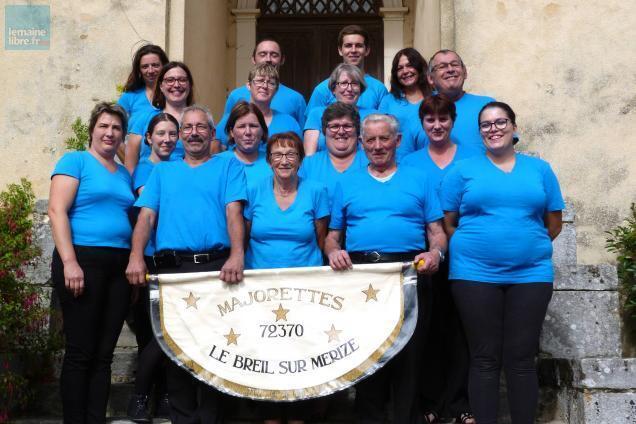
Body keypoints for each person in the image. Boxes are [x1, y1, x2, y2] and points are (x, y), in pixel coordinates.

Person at [440, 102, 564, 424]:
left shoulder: (540, 170)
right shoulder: (463, 171)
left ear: (513, 127)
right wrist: (481, 246)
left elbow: (553, 222)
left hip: (531, 274)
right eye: (486, 125)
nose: (493, 129)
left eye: (500, 122)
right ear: (479, 132)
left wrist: (526, 246)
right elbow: (449, 221)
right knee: (484, 358)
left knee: (521, 358)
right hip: (474, 274)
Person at [126, 104, 246, 423]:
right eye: (188, 128)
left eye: (201, 127)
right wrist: (136, 255)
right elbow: (146, 217)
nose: (194, 133)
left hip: (215, 268)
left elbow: (234, 213)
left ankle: (209, 417)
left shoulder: (227, 167)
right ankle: (181, 418)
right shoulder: (162, 172)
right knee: (176, 348)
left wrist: (237, 254)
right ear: (180, 136)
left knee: (214, 345)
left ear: (212, 133)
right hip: (173, 271)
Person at [325, 113, 447, 424]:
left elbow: (437, 232)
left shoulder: (420, 179)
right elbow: (333, 237)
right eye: (371, 140)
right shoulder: (346, 182)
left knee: (411, 357)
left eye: (384, 139)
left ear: (397, 141)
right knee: (367, 355)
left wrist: (436, 255)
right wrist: (334, 252)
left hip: (410, 271)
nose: (378, 146)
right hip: (363, 276)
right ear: (362, 143)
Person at [49, 102, 135, 423]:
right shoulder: (76, 161)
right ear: (92, 129)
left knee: (104, 355)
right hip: (82, 261)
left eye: (116, 128)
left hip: (118, 267)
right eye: (104, 126)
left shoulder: (124, 173)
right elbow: (57, 211)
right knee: (80, 351)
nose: (110, 133)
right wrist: (70, 262)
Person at [401, 95, 479, 424]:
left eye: (443, 119)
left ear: (453, 120)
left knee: (461, 331)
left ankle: (459, 403)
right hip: (425, 256)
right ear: (422, 124)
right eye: (430, 120)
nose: (437, 125)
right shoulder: (411, 162)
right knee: (428, 330)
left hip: (466, 256)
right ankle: (430, 402)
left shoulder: (472, 158)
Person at [126, 112, 179, 422]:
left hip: (172, 259)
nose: (167, 139)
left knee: (169, 333)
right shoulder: (144, 171)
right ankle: (140, 398)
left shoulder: (178, 169)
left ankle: (165, 397)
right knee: (154, 335)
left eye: (173, 133)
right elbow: (148, 215)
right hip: (148, 258)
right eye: (160, 133)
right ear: (148, 138)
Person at [125, 61, 195, 173]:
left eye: (182, 80)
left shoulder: (199, 120)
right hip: (147, 184)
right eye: (170, 80)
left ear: (189, 85)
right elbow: (130, 165)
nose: (176, 85)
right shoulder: (145, 118)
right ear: (161, 86)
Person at [305, 25, 387, 118]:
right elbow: (313, 124)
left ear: (367, 50)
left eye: (359, 46)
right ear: (340, 50)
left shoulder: (379, 89)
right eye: (348, 46)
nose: (353, 50)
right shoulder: (322, 89)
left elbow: (385, 125)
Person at [215, 64, 301, 150]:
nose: (264, 86)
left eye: (271, 83)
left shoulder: (289, 123)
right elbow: (214, 150)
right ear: (248, 85)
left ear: (276, 90)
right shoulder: (231, 118)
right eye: (260, 81)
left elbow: (299, 156)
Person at [223, 38, 306, 126]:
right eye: (262, 54)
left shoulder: (296, 99)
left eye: (274, 55)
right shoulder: (235, 96)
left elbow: (304, 138)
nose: (268, 59)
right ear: (253, 59)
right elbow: (224, 133)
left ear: (282, 60)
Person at [298, 102, 368, 206]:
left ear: (357, 130)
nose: (341, 131)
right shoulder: (309, 164)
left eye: (347, 126)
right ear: (324, 131)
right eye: (334, 126)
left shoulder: (370, 161)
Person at [303, 64, 380, 156]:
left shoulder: (374, 115)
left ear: (361, 89)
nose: (349, 89)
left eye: (355, 83)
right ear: (333, 89)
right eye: (343, 83)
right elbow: (309, 156)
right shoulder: (317, 114)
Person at [427, 49, 495, 151]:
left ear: (465, 72)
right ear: (430, 78)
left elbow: (505, 148)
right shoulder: (421, 109)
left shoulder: (488, 106)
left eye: (455, 65)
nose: (450, 69)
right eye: (442, 66)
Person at [379, 47, 432, 142]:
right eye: (400, 68)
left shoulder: (436, 98)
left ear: (419, 68)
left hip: (429, 155)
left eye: (409, 65)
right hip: (398, 156)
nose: (405, 71)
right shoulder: (387, 101)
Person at [216, 101, 272, 188]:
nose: (248, 132)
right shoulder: (218, 162)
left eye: (253, 126)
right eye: (241, 126)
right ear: (231, 132)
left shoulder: (273, 162)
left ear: (262, 130)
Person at [117, 44, 169, 133]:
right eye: (145, 67)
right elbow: (115, 127)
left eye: (155, 65)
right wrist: (123, 147)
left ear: (164, 66)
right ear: (139, 70)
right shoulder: (128, 97)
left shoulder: (173, 94)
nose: (151, 71)